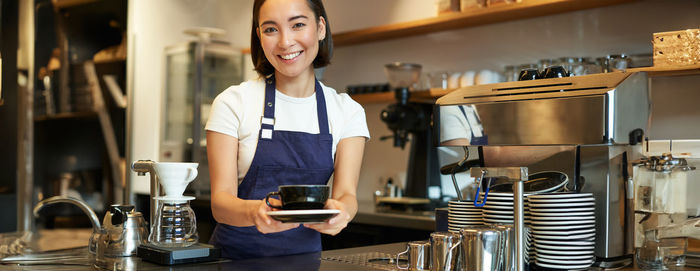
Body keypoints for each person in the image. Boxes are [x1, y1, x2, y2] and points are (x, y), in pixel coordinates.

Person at [205, 0, 369, 260]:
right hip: (233, 261)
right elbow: (221, 203)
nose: (285, 42)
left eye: (298, 25)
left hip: (306, 260)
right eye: (271, 29)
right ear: (259, 36)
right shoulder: (233, 102)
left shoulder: (347, 111)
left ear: (320, 27)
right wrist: (255, 213)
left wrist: (343, 213)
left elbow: (346, 194)